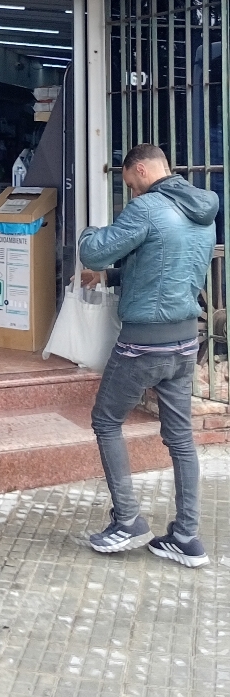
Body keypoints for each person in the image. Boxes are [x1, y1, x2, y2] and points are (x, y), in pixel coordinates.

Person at [79, 143, 218, 567]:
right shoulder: (201, 209)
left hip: (144, 344)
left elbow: (93, 251)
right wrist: (112, 276)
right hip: (185, 341)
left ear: (140, 170)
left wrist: (88, 233)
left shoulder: (148, 208)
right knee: (181, 438)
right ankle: (186, 537)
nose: (131, 192)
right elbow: (164, 263)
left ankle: (127, 522)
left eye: (129, 183)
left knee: (106, 421)